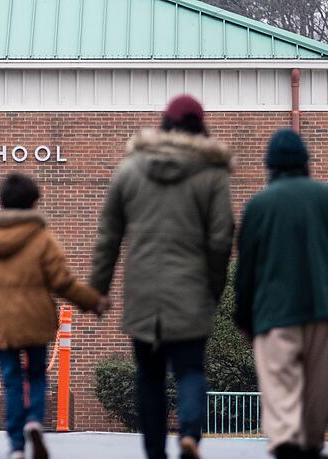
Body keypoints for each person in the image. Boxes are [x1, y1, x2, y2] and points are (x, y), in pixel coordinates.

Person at [90, 95, 234, 459]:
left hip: (143, 292)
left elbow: (109, 234)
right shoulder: (211, 175)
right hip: (191, 290)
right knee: (190, 369)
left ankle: (155, 453)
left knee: (148, 376)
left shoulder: (130, 170)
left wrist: (99, 289)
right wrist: (214, 287)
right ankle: (189, 434)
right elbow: (221, 239)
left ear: (164, 125)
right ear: (200, 129)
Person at [0, 172, 108, 459]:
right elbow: (62, 282)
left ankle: (17, 445)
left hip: (1, 321)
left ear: (1, 202)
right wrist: (93, 302)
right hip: (35, 318)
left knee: (11, 381)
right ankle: (33, 421)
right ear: (33, 203)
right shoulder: (42, 238)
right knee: (37, 375)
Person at [234, 129, 328, 459]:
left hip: (275, 316)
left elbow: (245, 270)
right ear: (306, 163)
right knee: (318, 392)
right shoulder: (327, 198)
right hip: (325, 311)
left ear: (270, 167)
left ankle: (287, 443)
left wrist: (244, 316)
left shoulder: (258, 206)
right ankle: (310, 444)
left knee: (280, 390)